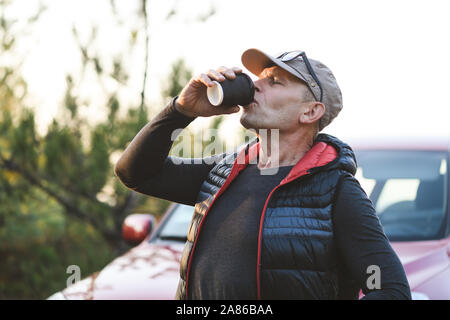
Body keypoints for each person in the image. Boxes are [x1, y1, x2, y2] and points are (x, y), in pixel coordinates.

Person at [114, 48, 412, 300]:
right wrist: (181, 110)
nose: (255, 85)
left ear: (310, 112)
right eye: (259, 78)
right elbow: (134, 172)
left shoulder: (335, 191)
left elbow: (391, 289)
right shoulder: (221, 173)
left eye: (275, 81)